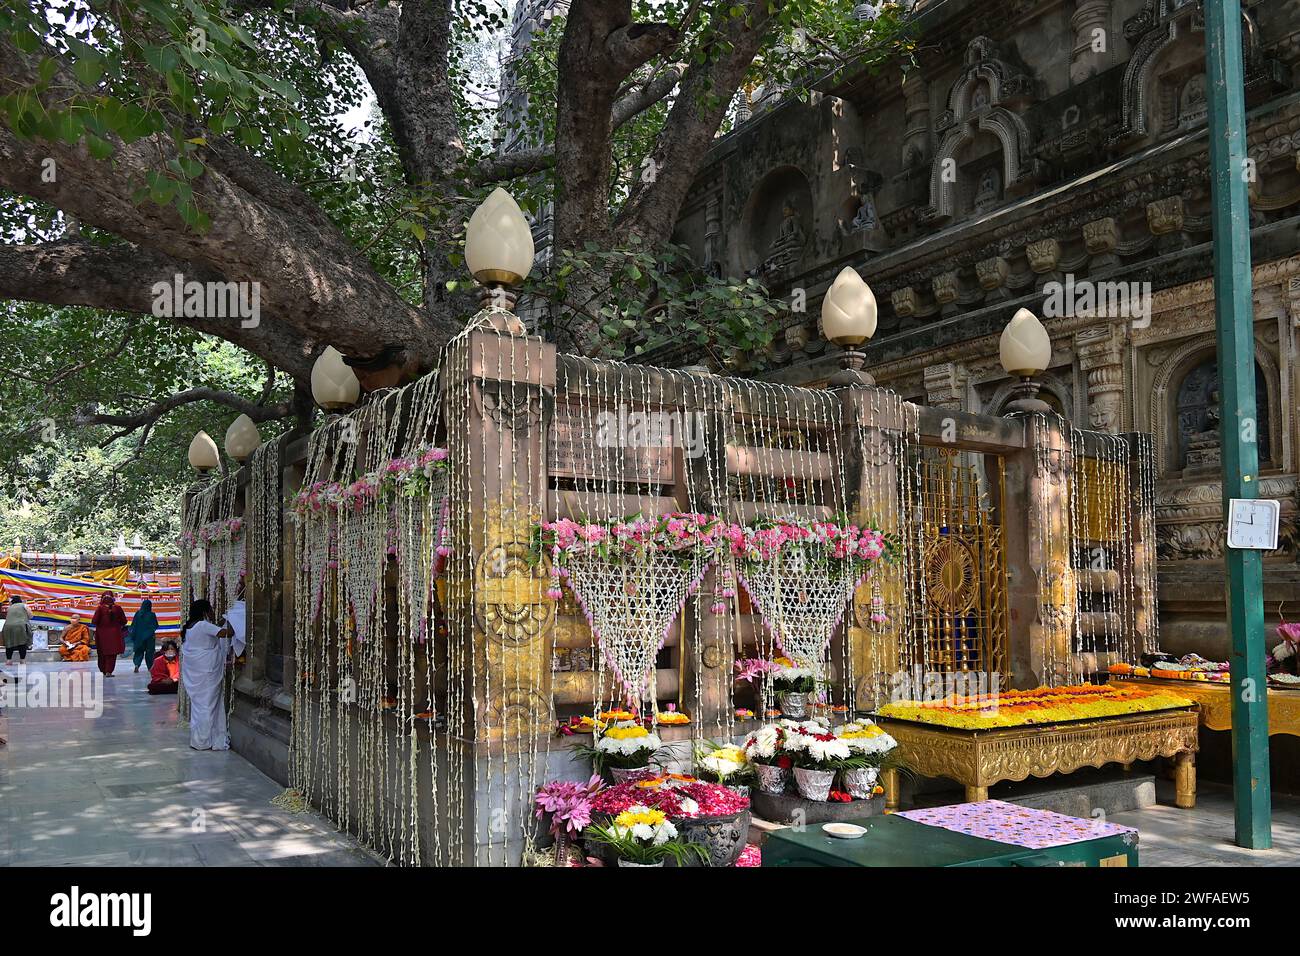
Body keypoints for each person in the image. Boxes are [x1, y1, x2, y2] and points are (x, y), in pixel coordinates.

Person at [180, 599, 233, 750]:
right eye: (210, 609)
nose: (212, 612)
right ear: (204, 611)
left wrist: (224, 619)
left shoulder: (191, 626)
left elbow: (213, 630)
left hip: (196, 672)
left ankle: (199, 739)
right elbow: (225, 633)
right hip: (207, 671)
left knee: (200, 706)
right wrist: (235, 620)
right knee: (208, 705)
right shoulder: (203, 625)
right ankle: (203, 740)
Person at [89, 592, 128, 677]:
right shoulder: (118, 608)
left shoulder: (99, 608)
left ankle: (103, 670)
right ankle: (109, 671)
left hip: (102, 635)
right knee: (112, 654)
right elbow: (124, 621)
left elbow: (94, 621)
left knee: (102, 652)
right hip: (115, 635)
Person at [129, 598, 160, 673]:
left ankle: (137, 664)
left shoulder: (138, 614)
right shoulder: (152, 614)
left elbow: (133, 625)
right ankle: (150, 667)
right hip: (149, 637)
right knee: (149, 653)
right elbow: (155, 625)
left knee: (138, 652)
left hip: (139, 637)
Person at [2, 596, 33, 666]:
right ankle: (22, 660)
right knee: (22, 642)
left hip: (7, 626)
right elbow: (31, 615)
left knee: (9, 643)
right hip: (20, 626)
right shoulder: (24, 605)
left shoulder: (9, 608)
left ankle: (9, 660)